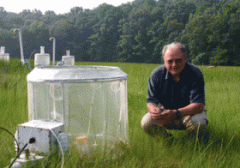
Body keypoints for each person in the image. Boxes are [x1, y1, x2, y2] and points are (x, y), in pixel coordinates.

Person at [141, 42, 208, 140]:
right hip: (166, 113)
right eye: (170, 61)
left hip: (190, 113)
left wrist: (175, 113)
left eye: (178, 60)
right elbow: (151, 100)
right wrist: (154, 109)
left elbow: (199, 105)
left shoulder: (195, 73)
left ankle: (193, 144)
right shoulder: (156, 75)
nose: (174, 64)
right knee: (146, 122)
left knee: (199, 123)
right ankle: (169, 141)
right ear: (164, 61)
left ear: (185, 58)